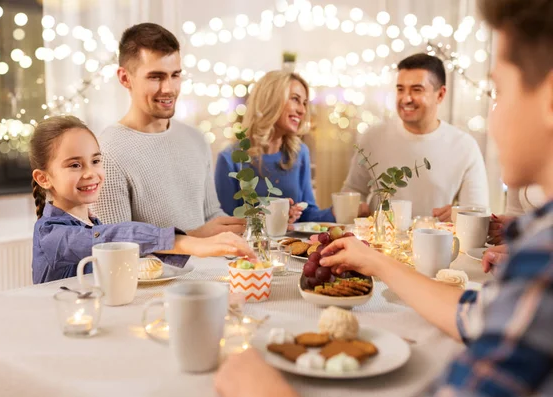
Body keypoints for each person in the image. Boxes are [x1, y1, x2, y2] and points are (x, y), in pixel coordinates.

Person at [215, 0, 553, 395]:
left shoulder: (540, 260)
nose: (492, 117)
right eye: (400, 88)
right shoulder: (536, 243)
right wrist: (378, 261)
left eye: (499, 93)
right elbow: (474, 314)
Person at [30, 116, 255, 284]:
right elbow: (110, 237)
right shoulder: (51, 234)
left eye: (96, 161)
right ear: (43, 178)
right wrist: (191, 243)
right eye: (75, 165)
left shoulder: (92, 222)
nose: (91, 173)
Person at [92, 23, 245, 237]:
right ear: (125, 78)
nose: (169, 89)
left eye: (175, 75)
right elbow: (116, 251)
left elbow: (211, 217)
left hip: (215, 269)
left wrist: (253, 225)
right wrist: (196, 237)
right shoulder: (107, 153)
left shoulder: (195, 139)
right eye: (156, 77)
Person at [342, 53, 489, 221]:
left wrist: (459, 214)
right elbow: (353, 191)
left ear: (440, 95)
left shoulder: (464, 146)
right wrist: (356, 208)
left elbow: (479, 212)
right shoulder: (373, 137)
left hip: (436, 244)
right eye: (400, 89)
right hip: (380, 244)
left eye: (417, 90)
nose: (406, 98)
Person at [215, 70, 334, 223]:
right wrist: (272, 219)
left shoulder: (299, 152)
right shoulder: (230, 158)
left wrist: (336, 212)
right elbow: (226, 224)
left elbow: (308, 214)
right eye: (295, 99)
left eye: (304, 103)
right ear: (271, 100)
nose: (303, 110)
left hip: (292, 246)